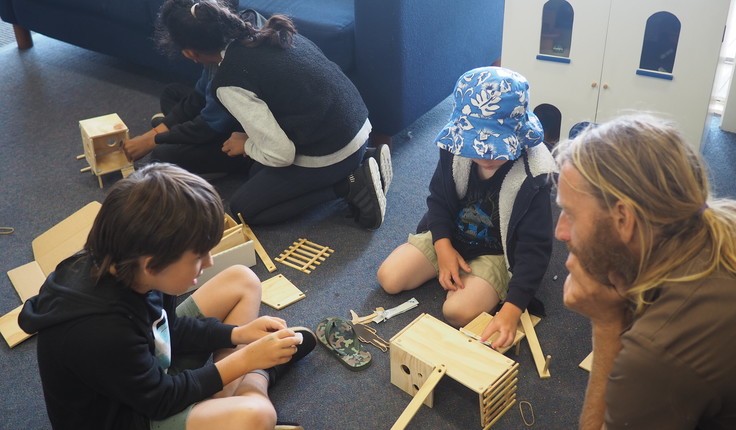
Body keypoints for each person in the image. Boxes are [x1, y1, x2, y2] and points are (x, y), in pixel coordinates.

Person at [18, 163, 315, 430]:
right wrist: (249, 360)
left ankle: (226, 395)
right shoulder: (100, 331)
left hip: (147, 367)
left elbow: (167, 329)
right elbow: (161, 399)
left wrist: (237, 334)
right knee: (257, 415)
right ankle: (256, 380)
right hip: (130, 413)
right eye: (198, 256)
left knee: (243, 280)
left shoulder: (132, 264)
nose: (209, 262)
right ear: (152, 264)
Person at [124, 0, 391, 230]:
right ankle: (362, 160)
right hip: (353, 126)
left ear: (189, 54)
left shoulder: (230, 80)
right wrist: (162, 133)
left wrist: (247, 145)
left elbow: (281, 154)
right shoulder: (251, 22)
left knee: (243, 209)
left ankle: (349, 184)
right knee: (174, 98)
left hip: (328, 151)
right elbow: (202, 98)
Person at [553, 114, 736, 429]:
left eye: (569, 213)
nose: (560, 232)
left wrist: (607, 325)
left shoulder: (658, 352)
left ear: (624, 218)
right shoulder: (719, 222)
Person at [377, 67, 556, 349]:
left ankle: (483, 282)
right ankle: (455, 266)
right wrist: (443, 247)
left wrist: (512, 309)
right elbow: (438, 200)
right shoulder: (454, 148)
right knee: (389, 277)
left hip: (497, 253)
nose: (485, 156)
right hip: (452, 233)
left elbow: (535, 250)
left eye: (494, 148)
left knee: (457, 311)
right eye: (477, 146)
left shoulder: (534, 177)